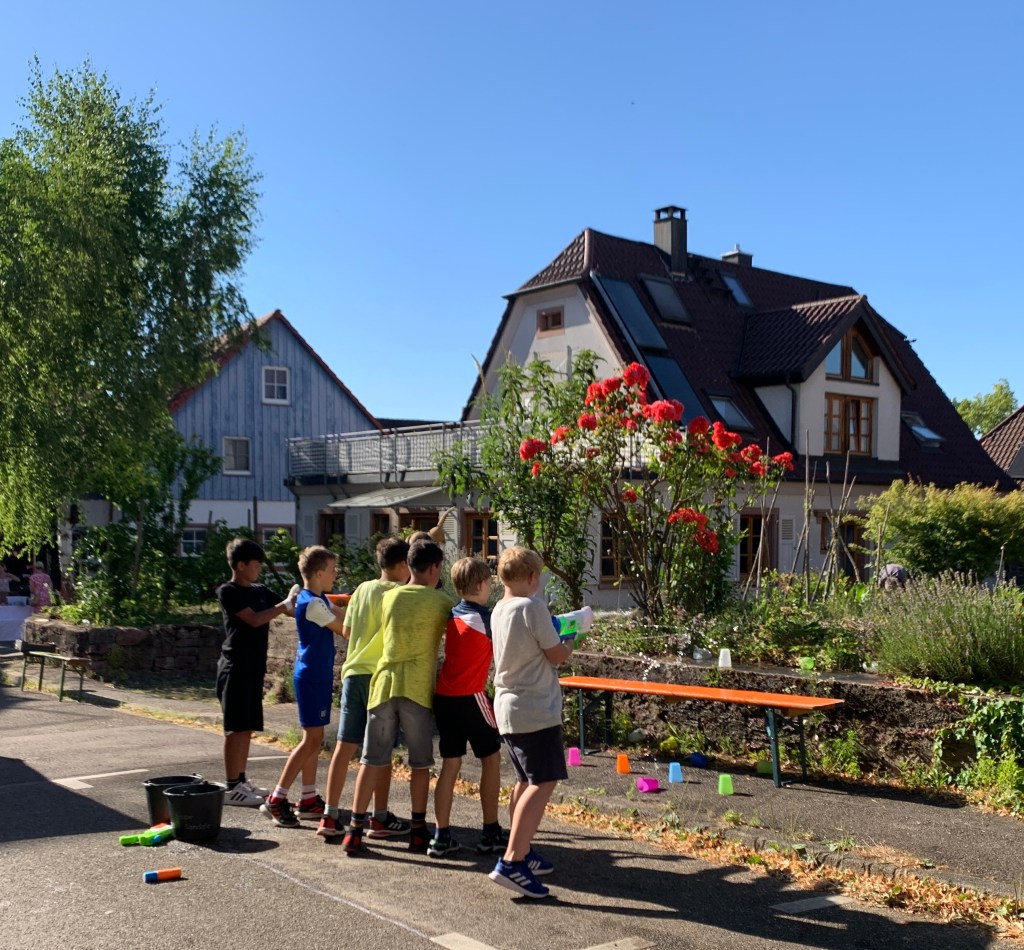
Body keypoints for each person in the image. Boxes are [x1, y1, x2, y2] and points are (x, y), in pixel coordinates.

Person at [341, 539, 453, 855]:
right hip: (416, 689)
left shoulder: (389, 596)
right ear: (434, 568)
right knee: (420, 763)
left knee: (371, 760)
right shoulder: (440, 602)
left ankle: (355, 830)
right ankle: (418, 830)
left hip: (383, 685)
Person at [487, 546, 574, 899]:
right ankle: (512, 860)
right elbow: (556, 655)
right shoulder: (532, 607)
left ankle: (521, 850)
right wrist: (572, 638)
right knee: (544, 780)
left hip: (508, 706)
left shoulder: (499, 609)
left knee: (525, 781)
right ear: (532, 577)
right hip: (535, 707)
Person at [316, 536, 412, 839]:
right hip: (380, 677)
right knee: (379, 752)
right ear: (403, 565)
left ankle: (330, 815)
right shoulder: (402, 593)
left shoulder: (362, 590)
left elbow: (346, 630)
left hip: (353, 673)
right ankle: (379, 817)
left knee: (344, 745)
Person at [261, 545, 346, 827]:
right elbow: (345, 628)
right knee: (311, 739)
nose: (336, 573)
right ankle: (277, 798)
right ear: (319, 574)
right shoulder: (313, 604)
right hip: (312, 677)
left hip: (314, 675)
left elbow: (338, 610)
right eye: (332, 569)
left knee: (314, 738)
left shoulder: (317, 598)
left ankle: (308, 798)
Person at [428, 556, 507, 858]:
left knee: (451, 764)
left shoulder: (453, 613)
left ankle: (441, 836)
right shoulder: (486, 619)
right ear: (482, 584)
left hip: (444, 697)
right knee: (491, 758)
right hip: (471, 696)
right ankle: (490, 831)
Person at [216, 537, 296, 807]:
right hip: (234, 667)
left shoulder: (261, 591)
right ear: (240, 565)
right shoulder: (228, 591)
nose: (259, 568)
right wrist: (284, 605)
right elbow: (254, 619)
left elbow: (290, 609)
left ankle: (241, 780)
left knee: (247, 726)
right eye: (256, 564)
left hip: (253, 668)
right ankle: (231, 787)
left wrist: (310, 597)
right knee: (234, 728)